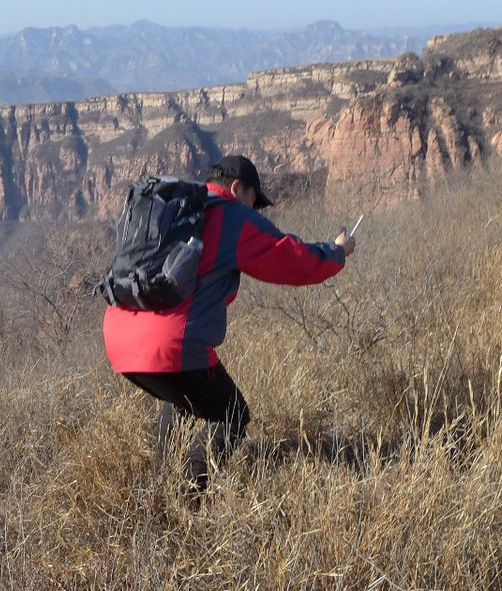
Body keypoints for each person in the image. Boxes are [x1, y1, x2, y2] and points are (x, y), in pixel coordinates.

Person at [102, 154, 356, 494]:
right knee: (231, 415)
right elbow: (293, 260)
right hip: (170, 343)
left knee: (184, 398)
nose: (256, 210)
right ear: (238, 189)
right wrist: (336, 252)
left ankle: (158, 488)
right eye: (254, 201)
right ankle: (187, 497)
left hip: (119, 337)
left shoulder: (178, 211)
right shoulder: (232, 215)